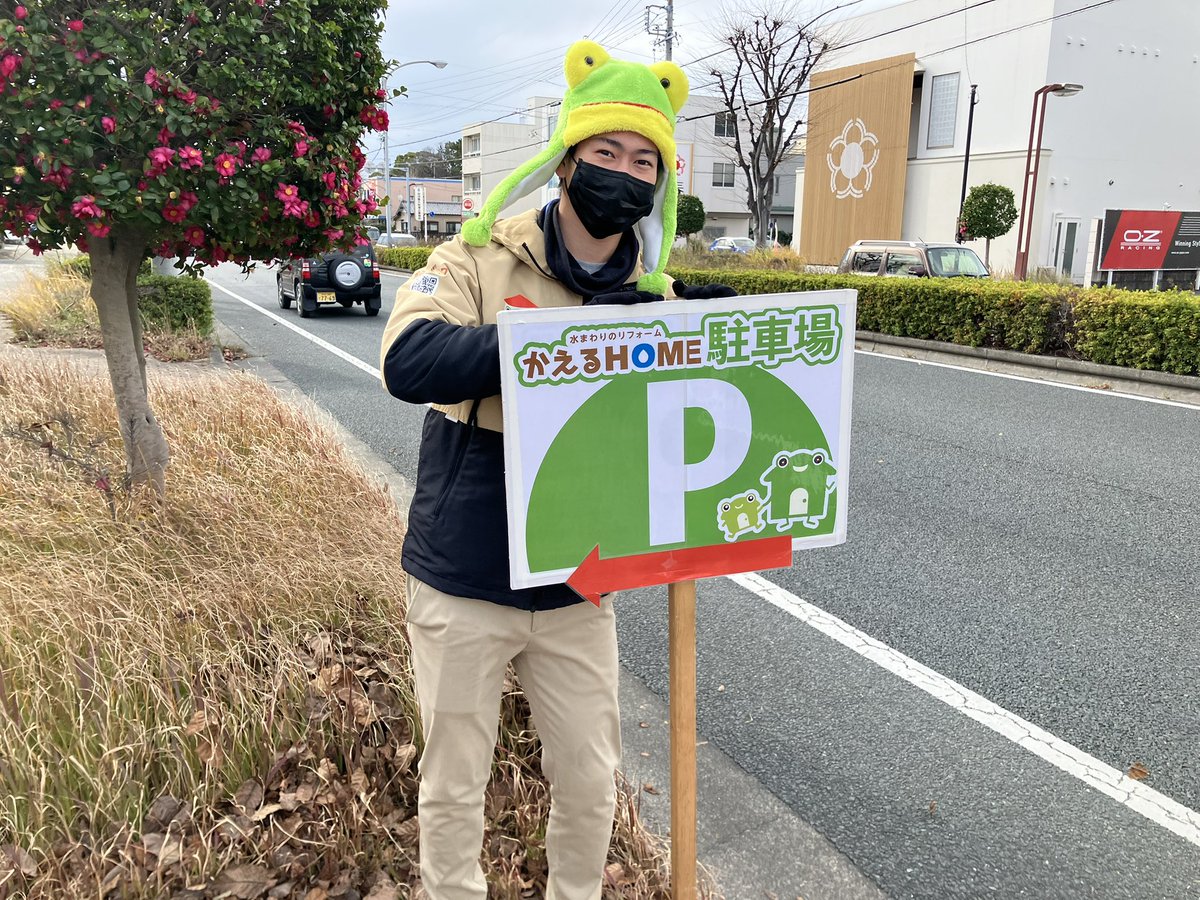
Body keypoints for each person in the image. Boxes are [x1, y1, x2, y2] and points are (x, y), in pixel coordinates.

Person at [379, 40, 730, 900]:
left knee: (590, 780)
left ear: (662, 184)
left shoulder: (656, 293)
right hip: (464, 571)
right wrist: (570, 340)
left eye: (645, 160)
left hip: (579, 580)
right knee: (455, 780)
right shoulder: (477, 257)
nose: (624, 172)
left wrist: (715, 340)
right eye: (605, 152)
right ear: (566, 161)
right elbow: (410, 359)